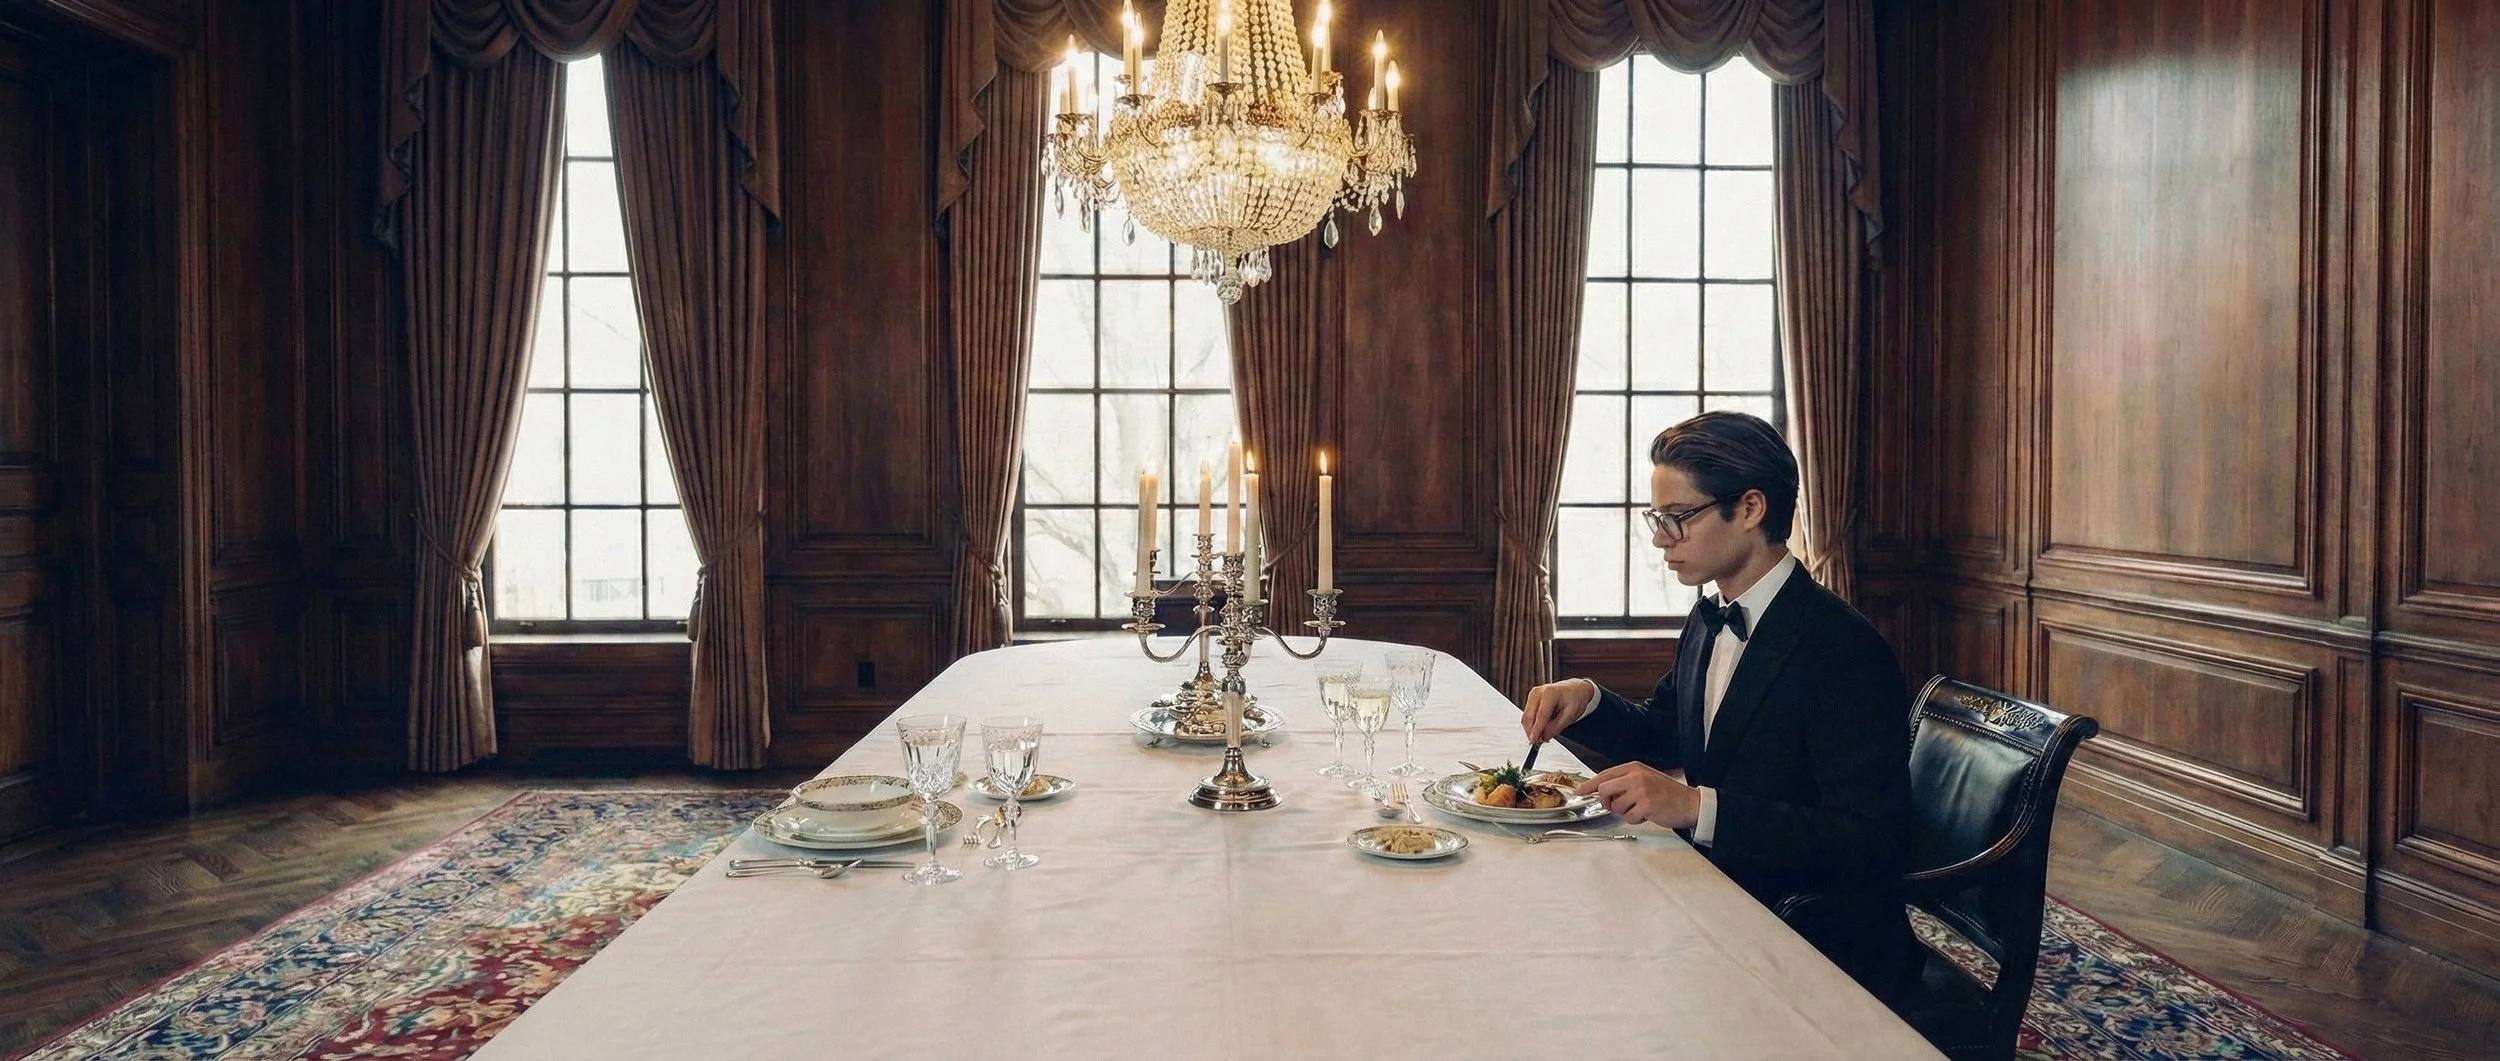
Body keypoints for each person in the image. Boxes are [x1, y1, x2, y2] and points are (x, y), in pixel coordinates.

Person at [1519, 410, 1916, 1005]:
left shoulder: (1842, 648)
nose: (1659, 539)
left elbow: (1872, 843)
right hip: (1721, 885)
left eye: (1678, 518)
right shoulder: (1710, 617)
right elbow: (1667, 735)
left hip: (1808, 935)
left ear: (1751, 509)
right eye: (1659, 519)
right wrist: (1589, 701)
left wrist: (1694, 806)